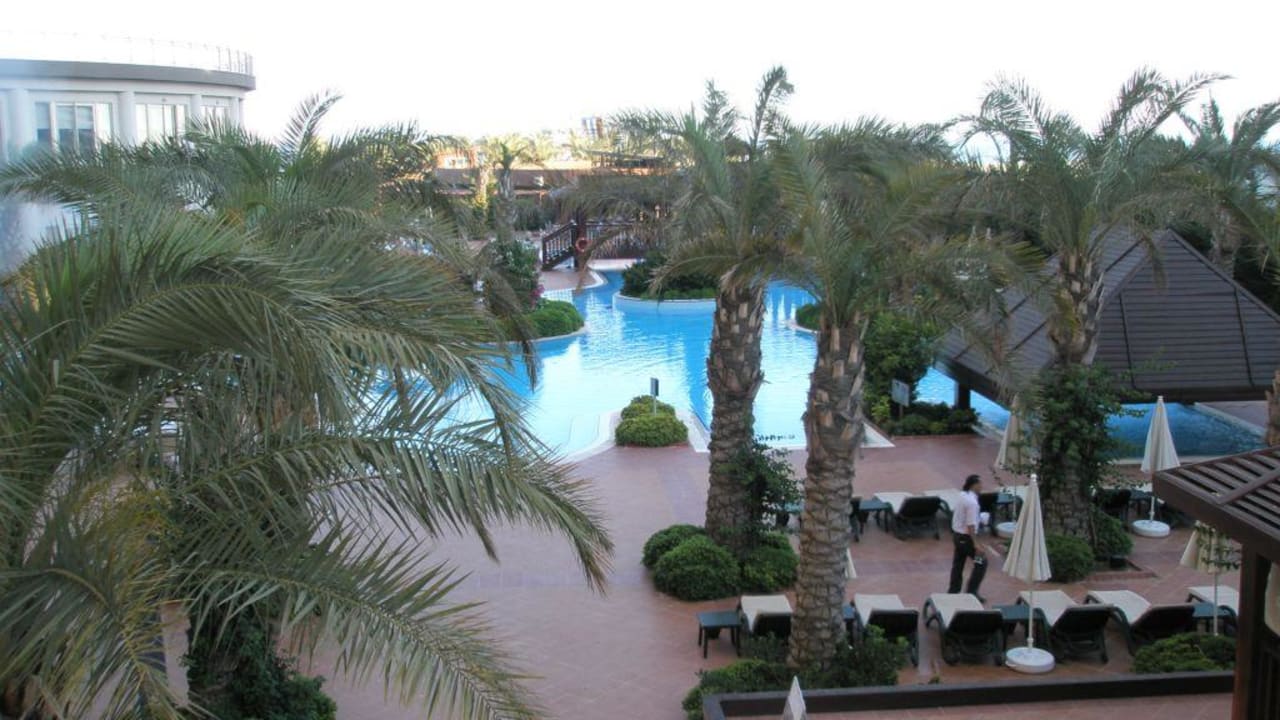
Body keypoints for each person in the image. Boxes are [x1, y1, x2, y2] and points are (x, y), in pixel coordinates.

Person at [948, 474, 986, 601]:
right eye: (980, 484)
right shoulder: (972, 503)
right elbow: (971, 525)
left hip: (957, 536)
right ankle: (972, 591)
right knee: (981, 562)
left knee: (958, 563)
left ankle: (953, 591)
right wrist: (976, 544)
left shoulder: (962, 495)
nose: (982, 486)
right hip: (966, 538)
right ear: (974, 485)